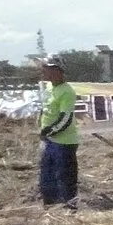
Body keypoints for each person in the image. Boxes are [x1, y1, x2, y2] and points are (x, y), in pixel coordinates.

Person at [37, 55, 80, 209]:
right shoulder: (48, 88)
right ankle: (50, 207)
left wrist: (48, 131)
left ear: (57, 70)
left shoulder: (67, 92)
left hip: (64, 142)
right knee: (46, 176)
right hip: (48, 140)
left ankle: (70, 208)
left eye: (47, 69)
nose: (44, 72)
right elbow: (45, 110)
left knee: (65, 176)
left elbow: (65, 119)